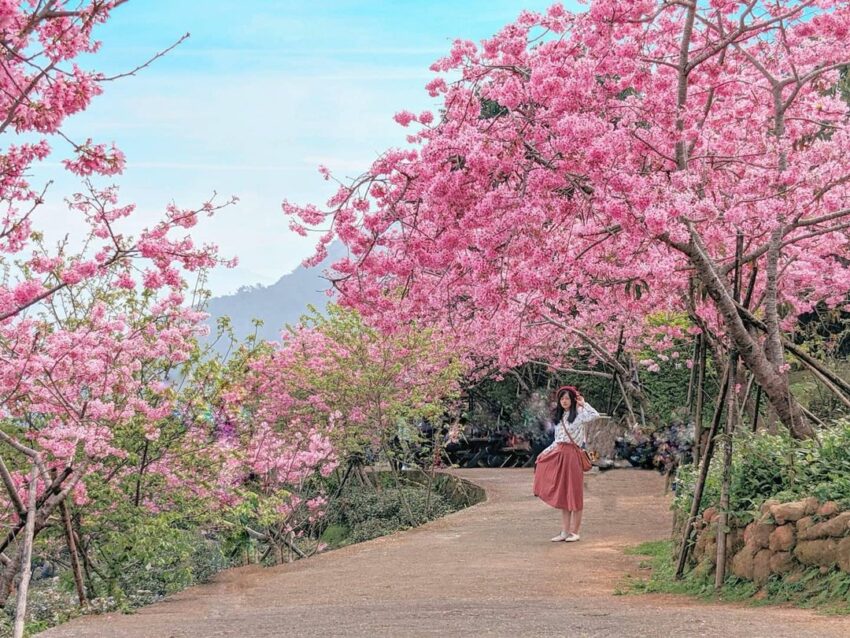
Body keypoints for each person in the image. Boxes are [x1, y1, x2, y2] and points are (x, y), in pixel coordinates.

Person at [533, 385, 599, 542]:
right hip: (560, 455)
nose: (564, 401)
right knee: (563, 494)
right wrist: (544, 453)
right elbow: (557, 441)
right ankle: (564, 531)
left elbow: (595, 415)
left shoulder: (580, 414)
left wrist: (583, 403)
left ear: (572, 400)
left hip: (573, 456)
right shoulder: (559, 418)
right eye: (562, 398)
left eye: (567, 398)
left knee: (574, 493)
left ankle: (575, 532)